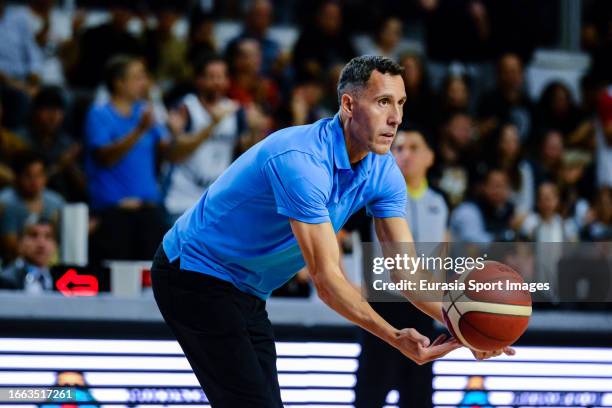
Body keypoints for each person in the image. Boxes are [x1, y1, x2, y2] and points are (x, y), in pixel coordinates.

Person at [151, 56, 512, 408]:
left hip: (247, 288)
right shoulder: (302, 162)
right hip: (193, 274)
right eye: (383, 102)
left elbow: (407, 274)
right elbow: (326, 280)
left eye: (401, 103)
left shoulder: (383, 171)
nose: (396, 117)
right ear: (348, 104)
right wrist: (393, 336)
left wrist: (464, 324)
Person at [85, 55, 212, 262]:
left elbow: (170, 154)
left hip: (148, 211)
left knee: (150, 275)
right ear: (119, 82)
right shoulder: (99, 114)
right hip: (114, 213)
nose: (144, 82)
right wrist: (138, 131)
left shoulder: (145, 113)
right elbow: (105, 157)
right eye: (138, 77)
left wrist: (177, 133)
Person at [355, 129, 448, 408]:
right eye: (399, 148)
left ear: (430, 157)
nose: (404, 154)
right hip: (384, 306)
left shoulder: (440, 201)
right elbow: (338, 236)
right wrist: (347, 282)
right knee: (370, 395)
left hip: (424, 309)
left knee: (418, 397)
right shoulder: (374, 194)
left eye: (413, 147)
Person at [163, 55, 240, 222]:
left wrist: (254, 129)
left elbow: (244, 153)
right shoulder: (186, 108)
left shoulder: (234, 110)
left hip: (216, 202)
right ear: (199, 80)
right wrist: (212, 125)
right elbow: (175, 154)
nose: (218, 82)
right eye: (212, 77)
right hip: (181, 200)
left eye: (222, 77)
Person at [0, 150, 64, 262]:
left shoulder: (56, 201)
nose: (34, 182)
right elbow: (11, 249)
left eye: (39, 175)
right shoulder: (6, 203)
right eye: (28, 176)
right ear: (17, 177)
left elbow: (63, 241)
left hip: (51, 263)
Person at [0, 214, 56, 293]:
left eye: (47, 236)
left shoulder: (61, 280)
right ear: (20, 242)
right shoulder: (6, 280)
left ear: (55, 245)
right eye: (33, 235)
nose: (41, 244)